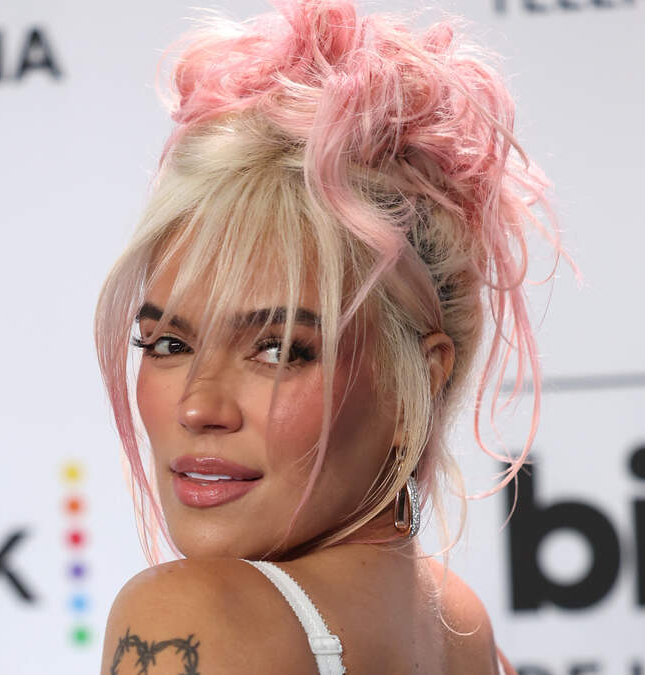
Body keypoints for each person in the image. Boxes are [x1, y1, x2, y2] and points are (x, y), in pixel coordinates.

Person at [93, 0, 574, 672]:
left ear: (417, 383)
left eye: (278, 350)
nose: (199, 407)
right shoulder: (465, 631)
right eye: (169, 343)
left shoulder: (188, 614)